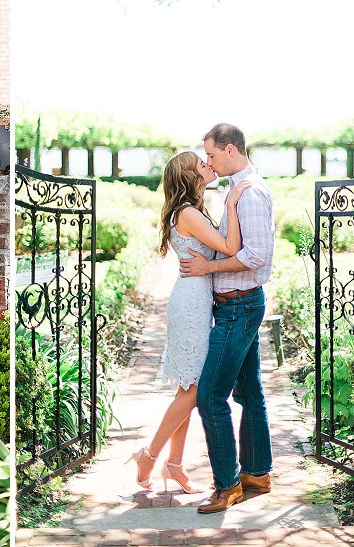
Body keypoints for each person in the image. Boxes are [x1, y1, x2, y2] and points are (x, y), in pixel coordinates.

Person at [127, 151, 250, 493]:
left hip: (194, 301)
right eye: (202, 163)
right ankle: (149, 456)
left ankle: (174, 466)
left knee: (189, 387)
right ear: (188, 175)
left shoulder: (191, 211)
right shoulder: (189, 214)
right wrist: (231, 205)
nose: (209, 164)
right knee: (195, 390)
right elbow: (230, 247)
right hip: (191, 306)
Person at [179, 123, 275, 514]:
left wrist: (207, 269)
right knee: (248, 391)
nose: (209, 162)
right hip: (236, 304)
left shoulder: (248, 192)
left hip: (238, 306)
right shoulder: (238, 189)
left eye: (213, 155)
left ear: (231, 149)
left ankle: (228, 485)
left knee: (209, 396)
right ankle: (257, 474)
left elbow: (255, 256)